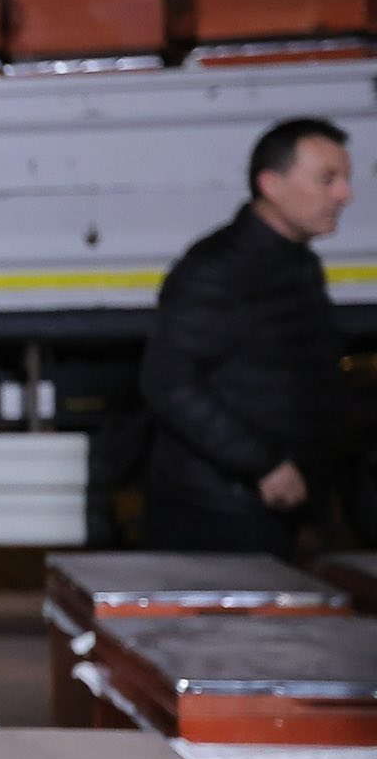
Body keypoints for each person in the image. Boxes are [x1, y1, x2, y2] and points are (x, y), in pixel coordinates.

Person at [141, 118, 353, 559]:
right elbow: (168, 381)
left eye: (345, 179)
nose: (344, 194)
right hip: (218, 513)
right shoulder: (217, 269)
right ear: (270, 184)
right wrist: (264, 463)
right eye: (327, 179)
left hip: (272, 508)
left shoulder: (298, 264)